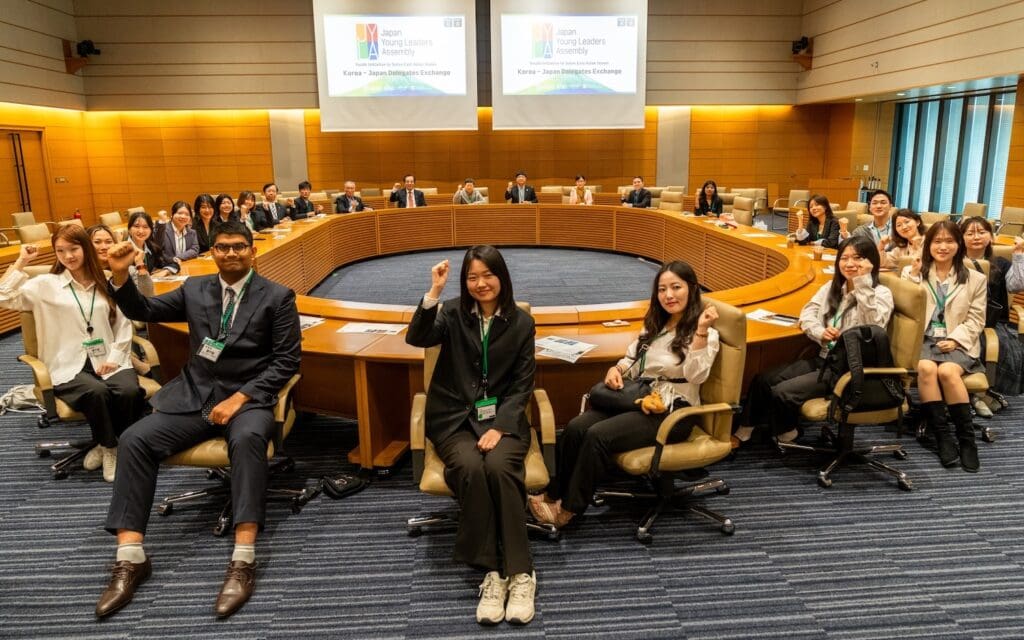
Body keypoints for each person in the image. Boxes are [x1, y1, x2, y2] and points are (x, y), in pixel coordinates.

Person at [95, 220, 301, 619]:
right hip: (195, 396)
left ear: (252, 251)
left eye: (239, 246)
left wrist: (241, 397)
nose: (231, 253)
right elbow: (145, 309)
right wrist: (121, 275)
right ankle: (131, 556)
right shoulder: (194, 289)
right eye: (223, 247)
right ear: (214, 251)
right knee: (135, 439)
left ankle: (243, 559)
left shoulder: (277, 297)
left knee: (247, 442)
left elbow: (287, 362)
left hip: (249, 399)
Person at [404, 245, 538, 626]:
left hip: (503, 418)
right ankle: (495, 572)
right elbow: (417, 338)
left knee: (498, 467)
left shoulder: (523, 324)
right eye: (472, 277)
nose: (481, 284)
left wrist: (499, 427)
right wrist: (434, 291)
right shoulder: (452, 313)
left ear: (502, 277)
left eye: (488, 275)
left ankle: (522, 574)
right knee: (472, 469)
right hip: (453, 419)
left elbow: (522, 385)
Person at [531, 260, 720, 529]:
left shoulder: (704, 333)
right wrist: (616, 369)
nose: (669, 295)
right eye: (662, 289)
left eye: (676, 287)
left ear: (691, 289)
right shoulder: (655, 325)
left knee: (598, 436)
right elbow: (631, 358)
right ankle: (553, 492)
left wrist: (700, 331)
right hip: (639, 397)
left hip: (673, 412)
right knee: (575, 427)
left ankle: (570, 509)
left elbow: (695, 375)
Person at [0, 226, 143, 483]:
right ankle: (110, 448)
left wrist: (115, 358)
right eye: (60, 251)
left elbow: (123, 324)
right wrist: (21, 261)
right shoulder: (45, 285)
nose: (68, 256)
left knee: (129, 391)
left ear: (85, 248)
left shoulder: (106, 281)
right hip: (66, 363)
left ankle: (110, 442)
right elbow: (3, 296)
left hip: (108, 359)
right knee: (96, 392)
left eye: (74, 249)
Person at [734, 236, 893, 445]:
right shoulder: (833, 286)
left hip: (849, 368)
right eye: (844, 258)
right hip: (824, 357)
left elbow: (872, 329)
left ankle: (788, 433)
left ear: (871, 261)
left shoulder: (881, 293)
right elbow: (807, 314)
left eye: (858, 258)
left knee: (784, 393)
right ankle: (744, 430)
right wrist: (820, 332)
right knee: (763, 380)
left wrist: (863, 284)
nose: (850, 264)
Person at [901, 220, 987, 472]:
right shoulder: (913, 273)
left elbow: (976, 318)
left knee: (948, 371)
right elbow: (907, 312)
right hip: (923, 340)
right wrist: (914, 276)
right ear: (928, 246)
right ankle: (943, 437)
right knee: (927, 368)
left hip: (958, 340)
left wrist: (957, 338)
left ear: (958, 245)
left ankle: (967, 440)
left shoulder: (975, 279)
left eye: (949, 241)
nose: (943, 246)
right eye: (937, 241)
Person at [960, 216, 1024, 401]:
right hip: (957, 319)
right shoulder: (953, 261)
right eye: (970, 233)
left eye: (981, 232)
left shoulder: (1001, 263)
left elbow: (1016, 286)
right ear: (961, 237)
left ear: (991, 236)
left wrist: (1019, 254)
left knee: (994, 345)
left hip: (991, 322)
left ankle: (981, 393)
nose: (976, 237)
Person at [126, 211, 173, 277]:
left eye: (145, 227)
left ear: (151, 230)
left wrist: (166, 270)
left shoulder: (152, 247)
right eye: (136, 226)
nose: (141, 231)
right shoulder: (123, 250)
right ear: (129, 229)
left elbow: (173, 263)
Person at [158, 200, 200, 265]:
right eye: (180, 213)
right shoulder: (163, 230)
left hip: (184, 266)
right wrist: (172, 260)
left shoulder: (192, 233)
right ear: (172, 214)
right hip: (164, 267)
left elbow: (194, 250)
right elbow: (159, 251)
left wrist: (177, 258)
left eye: (187, 214)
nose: (183, 216)